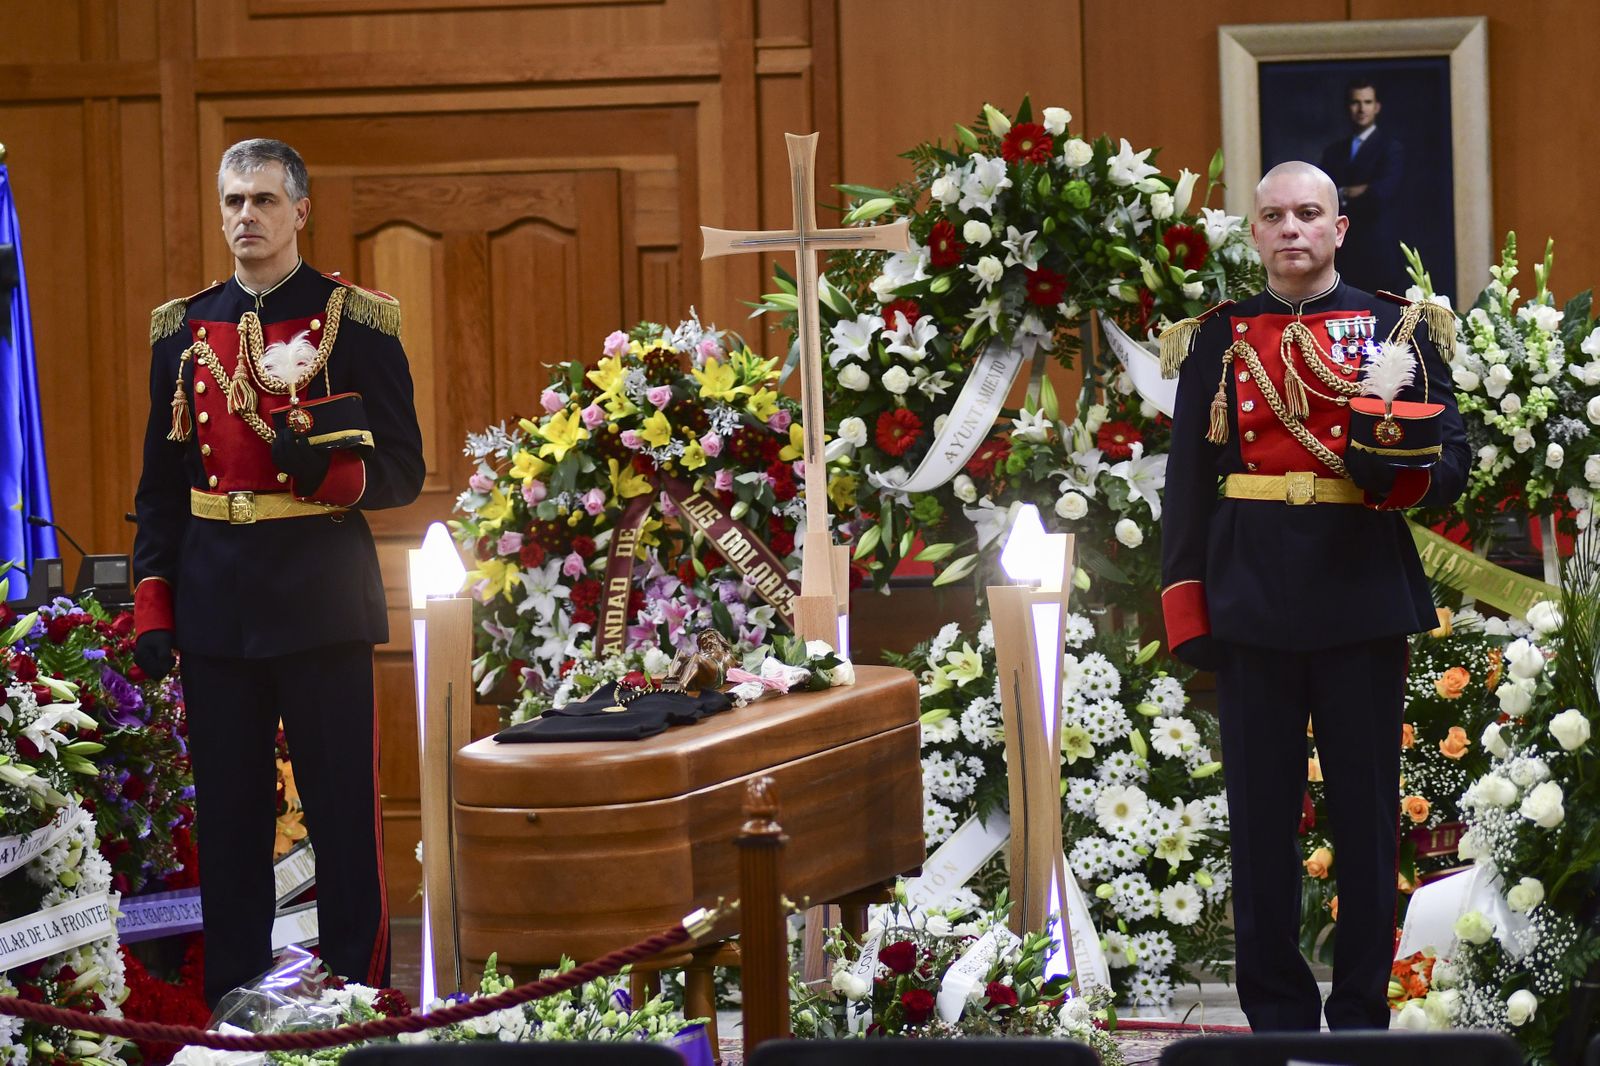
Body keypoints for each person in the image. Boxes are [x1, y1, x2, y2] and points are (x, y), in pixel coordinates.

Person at [1157, 161, 1467, 1031]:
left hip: (1359, 588)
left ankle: (1363, 1013)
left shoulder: (1397, 325)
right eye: (1273, 217)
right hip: (1249, 595)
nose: (1291, 229)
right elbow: (1187, 483)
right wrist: (1188, 605)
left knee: (1367, 821)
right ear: (1253, 234)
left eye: (1308, 214)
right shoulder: (1216, 336)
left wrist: (1391, 468)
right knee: (1259, 824)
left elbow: (1452, 463)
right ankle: (1279, 1021)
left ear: (1338, 229)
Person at [132, 138, 425, 1006]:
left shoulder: (357, 319)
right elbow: (158, 485)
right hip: (217, 597)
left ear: (300, 211)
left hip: (321, 595)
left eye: (263, 200)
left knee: (340, 816)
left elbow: (404, 472)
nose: (246, 217)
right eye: (233, 202)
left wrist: (322, 469)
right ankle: (235, 1002)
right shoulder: (182, 330)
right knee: (227, 823)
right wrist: (155, 599)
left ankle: (354, 998)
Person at [1319, 78, 1404, 294]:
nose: (1361, 109)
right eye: (1355, 102)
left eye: (1367, 102)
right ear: (1348, 107)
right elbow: (1320, 193)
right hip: (1343, 250)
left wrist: (1342, 192)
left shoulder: (1390, 148)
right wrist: (1356, 190)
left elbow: (1380, 193)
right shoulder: (1334, 152)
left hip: (1378, 251)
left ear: (1376, 107)